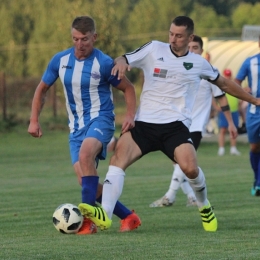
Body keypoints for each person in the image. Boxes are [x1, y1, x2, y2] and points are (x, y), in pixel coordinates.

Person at [78, 16, 260, 233]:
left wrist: (256, 100)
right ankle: (106, 215)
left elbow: (225, 85)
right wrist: (121, 63)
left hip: (175, 127)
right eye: (171, 34)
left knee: (191, 169)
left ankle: (204, 206)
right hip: (144, 124)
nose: (173, 39)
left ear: (190, 37)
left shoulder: (199, 63)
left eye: (179, 35)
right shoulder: (154, 49)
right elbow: (124, 58)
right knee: (118, 160)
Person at [28, 16, 141, 234]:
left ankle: (88, 223)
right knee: (85, 181)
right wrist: (34, 120)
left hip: (102, 120)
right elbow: (41, 89)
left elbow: (128, 88)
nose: (80, 44)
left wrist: (129, 115)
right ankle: (128, 216)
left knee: (86, 154)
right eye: (75, 39)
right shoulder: (59, 60)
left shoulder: (105, 63)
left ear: (94, 37)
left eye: (85, 39)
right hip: (75, 128)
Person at [149, 35, 237, 208]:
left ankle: (169, 197)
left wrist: (231, 123)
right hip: (176, 122)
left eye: (195, 47)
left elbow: (221, 97)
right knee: (178, 162)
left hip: (196, 124)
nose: (192, 50)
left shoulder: (207, 69)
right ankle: (191, 197)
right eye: (190, 47)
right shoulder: (179, 67)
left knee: (184, 163)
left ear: (202, 51)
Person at [235, 35, 260, 196]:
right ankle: (257, 179)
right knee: (255, 147)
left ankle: (259, 183)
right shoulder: (250, 62)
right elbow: (236, 83)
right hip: (254, 112)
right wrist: (245, 91)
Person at [217, 69, 241, 156]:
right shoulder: (220, 84)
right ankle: (221, 149)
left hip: (234, 110)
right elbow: (213, 97)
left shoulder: (234, 85)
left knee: (234, 130)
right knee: (223, 130)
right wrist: (217, 107)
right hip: (224, 110)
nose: (228, 77)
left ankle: (233, 148)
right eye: (226, 75)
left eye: (229, 75)